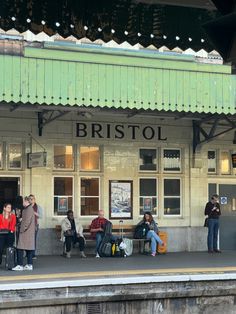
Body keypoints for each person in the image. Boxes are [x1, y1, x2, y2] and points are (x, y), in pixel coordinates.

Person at [12, 196, 35, 271]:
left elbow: (27, 221)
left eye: (23, 201)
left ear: (26, 201)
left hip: (25, 232)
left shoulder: (28, 209)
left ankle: (20, 265)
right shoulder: (29, 209)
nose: (22, 203)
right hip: (28, 232)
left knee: (20, 248)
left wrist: (22, 229)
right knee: (29, 249)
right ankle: (29, 264)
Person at [29, 194, 43, 259]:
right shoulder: (27, 206)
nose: (31, 200)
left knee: (33, 240)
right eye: (30, 199)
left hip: (35, 225)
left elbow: (41, 216)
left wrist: (34, 212)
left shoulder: (38, 207)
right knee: (28, 240)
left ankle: (33, 254)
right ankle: (28, 254)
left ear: (34, 200)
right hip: (28, 225)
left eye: (32, 199)